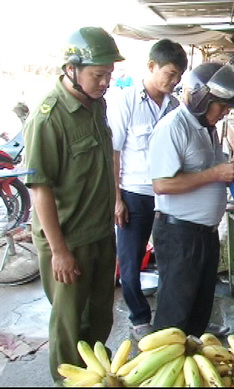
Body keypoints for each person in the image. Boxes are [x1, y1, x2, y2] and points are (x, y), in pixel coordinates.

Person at [23, 27, 124, 383]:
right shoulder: (48, 119)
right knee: (69, 325)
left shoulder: (97, 106)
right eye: (98, 75)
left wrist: (115, 201)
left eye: (109, 74)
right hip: (68, 240)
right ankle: (67, 380)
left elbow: (104, 163)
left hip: (99, 232)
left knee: (99, 316)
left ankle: (94, 376)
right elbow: (40, 191)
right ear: (72, 68)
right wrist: (59, 251)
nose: (105, 82)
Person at [148, 62, 234, 337]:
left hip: (204, 234)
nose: (224, 113)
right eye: (221, 107)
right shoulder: (173, 127)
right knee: (174, 317)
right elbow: (162, 184)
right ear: (201, 97)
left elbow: (211, 171)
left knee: (198, 311)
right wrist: (215, 173)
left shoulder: (207, 129)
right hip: (179, 235)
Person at [106, 39, 188, 341]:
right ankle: (139, 316)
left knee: (170, 260)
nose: (174, 80)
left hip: (168, 196)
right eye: (170, 72)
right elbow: (113, 153)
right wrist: (116, 199)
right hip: (133, 195)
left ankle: (169, 318)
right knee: (130, 262)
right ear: (151, 66)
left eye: (179, 74)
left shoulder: (175, 106)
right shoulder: (124, 101)